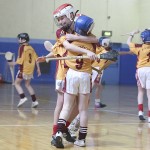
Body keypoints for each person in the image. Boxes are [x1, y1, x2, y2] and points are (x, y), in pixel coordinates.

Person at [9, 33, 41, 108]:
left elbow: (19, 61)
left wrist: (12, 63)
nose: (18, 40)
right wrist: (38, 69)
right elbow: (37, 59)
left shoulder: (21, 48)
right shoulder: (31, 48)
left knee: (16, 83)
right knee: (27, 85)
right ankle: (34, 101)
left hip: (23, 69)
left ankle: (22, 98)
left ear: (23, 40)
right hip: (30, 70)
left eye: (19, 38)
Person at [127, 29, 150, 122]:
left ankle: (140, 112)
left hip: (141, 70)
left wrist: (131, 34)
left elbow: (128, 42)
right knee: (149, 95)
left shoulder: (139, 47)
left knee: (140, 92)